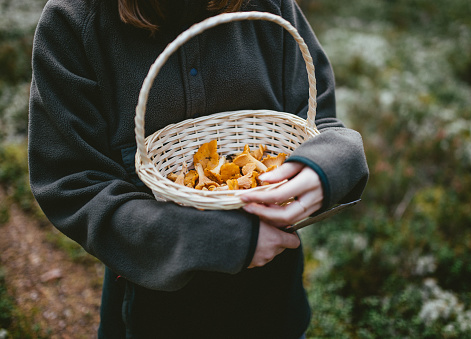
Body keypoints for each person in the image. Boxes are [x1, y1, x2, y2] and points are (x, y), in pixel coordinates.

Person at [28, 0, 369, 337]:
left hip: (274, 308)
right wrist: (222, 240)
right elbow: (74, 186)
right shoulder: (73, 21)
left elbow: (317, 119)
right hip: (152, 314)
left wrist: (328, 165)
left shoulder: (268, 5)